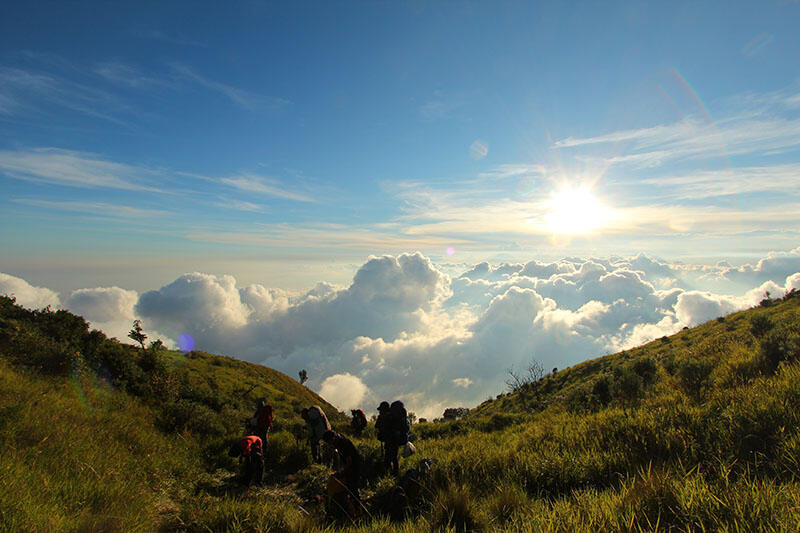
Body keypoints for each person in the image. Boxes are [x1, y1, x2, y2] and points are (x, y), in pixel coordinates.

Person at [322, 430, 361, 501]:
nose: (329, 444)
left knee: (353, 486)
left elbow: (349, 460)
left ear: (332, 438)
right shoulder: (337, 440)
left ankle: (357, 505)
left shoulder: (343, 443)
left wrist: (342, 472)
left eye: (328, 442)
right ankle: (349, 502)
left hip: (354, 464)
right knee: (347, 484)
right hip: (349, 464)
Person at [375, 401, 398, 474]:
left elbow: (378, 426)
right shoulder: (388, 417)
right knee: (393, 458)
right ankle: (393, 473)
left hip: (392, 441)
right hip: (389, 441)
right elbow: (376, 426)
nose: (380, 412)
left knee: (390, 458)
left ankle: (391, 473)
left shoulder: (391, 418)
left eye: (381, 410)